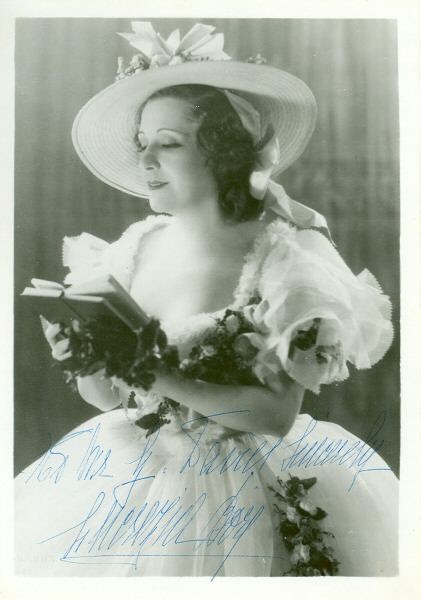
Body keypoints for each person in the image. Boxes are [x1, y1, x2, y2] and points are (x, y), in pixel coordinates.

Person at [15, 22, 398, 578]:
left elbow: (276, 416)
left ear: (223, 155)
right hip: (132, 472)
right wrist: (85, 359)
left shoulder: (283, 259)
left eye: (169, 144)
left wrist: (159, 376)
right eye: (142, 144)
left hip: (246, 480)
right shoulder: (133, 248)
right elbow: (108, 400)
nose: (147, 160)